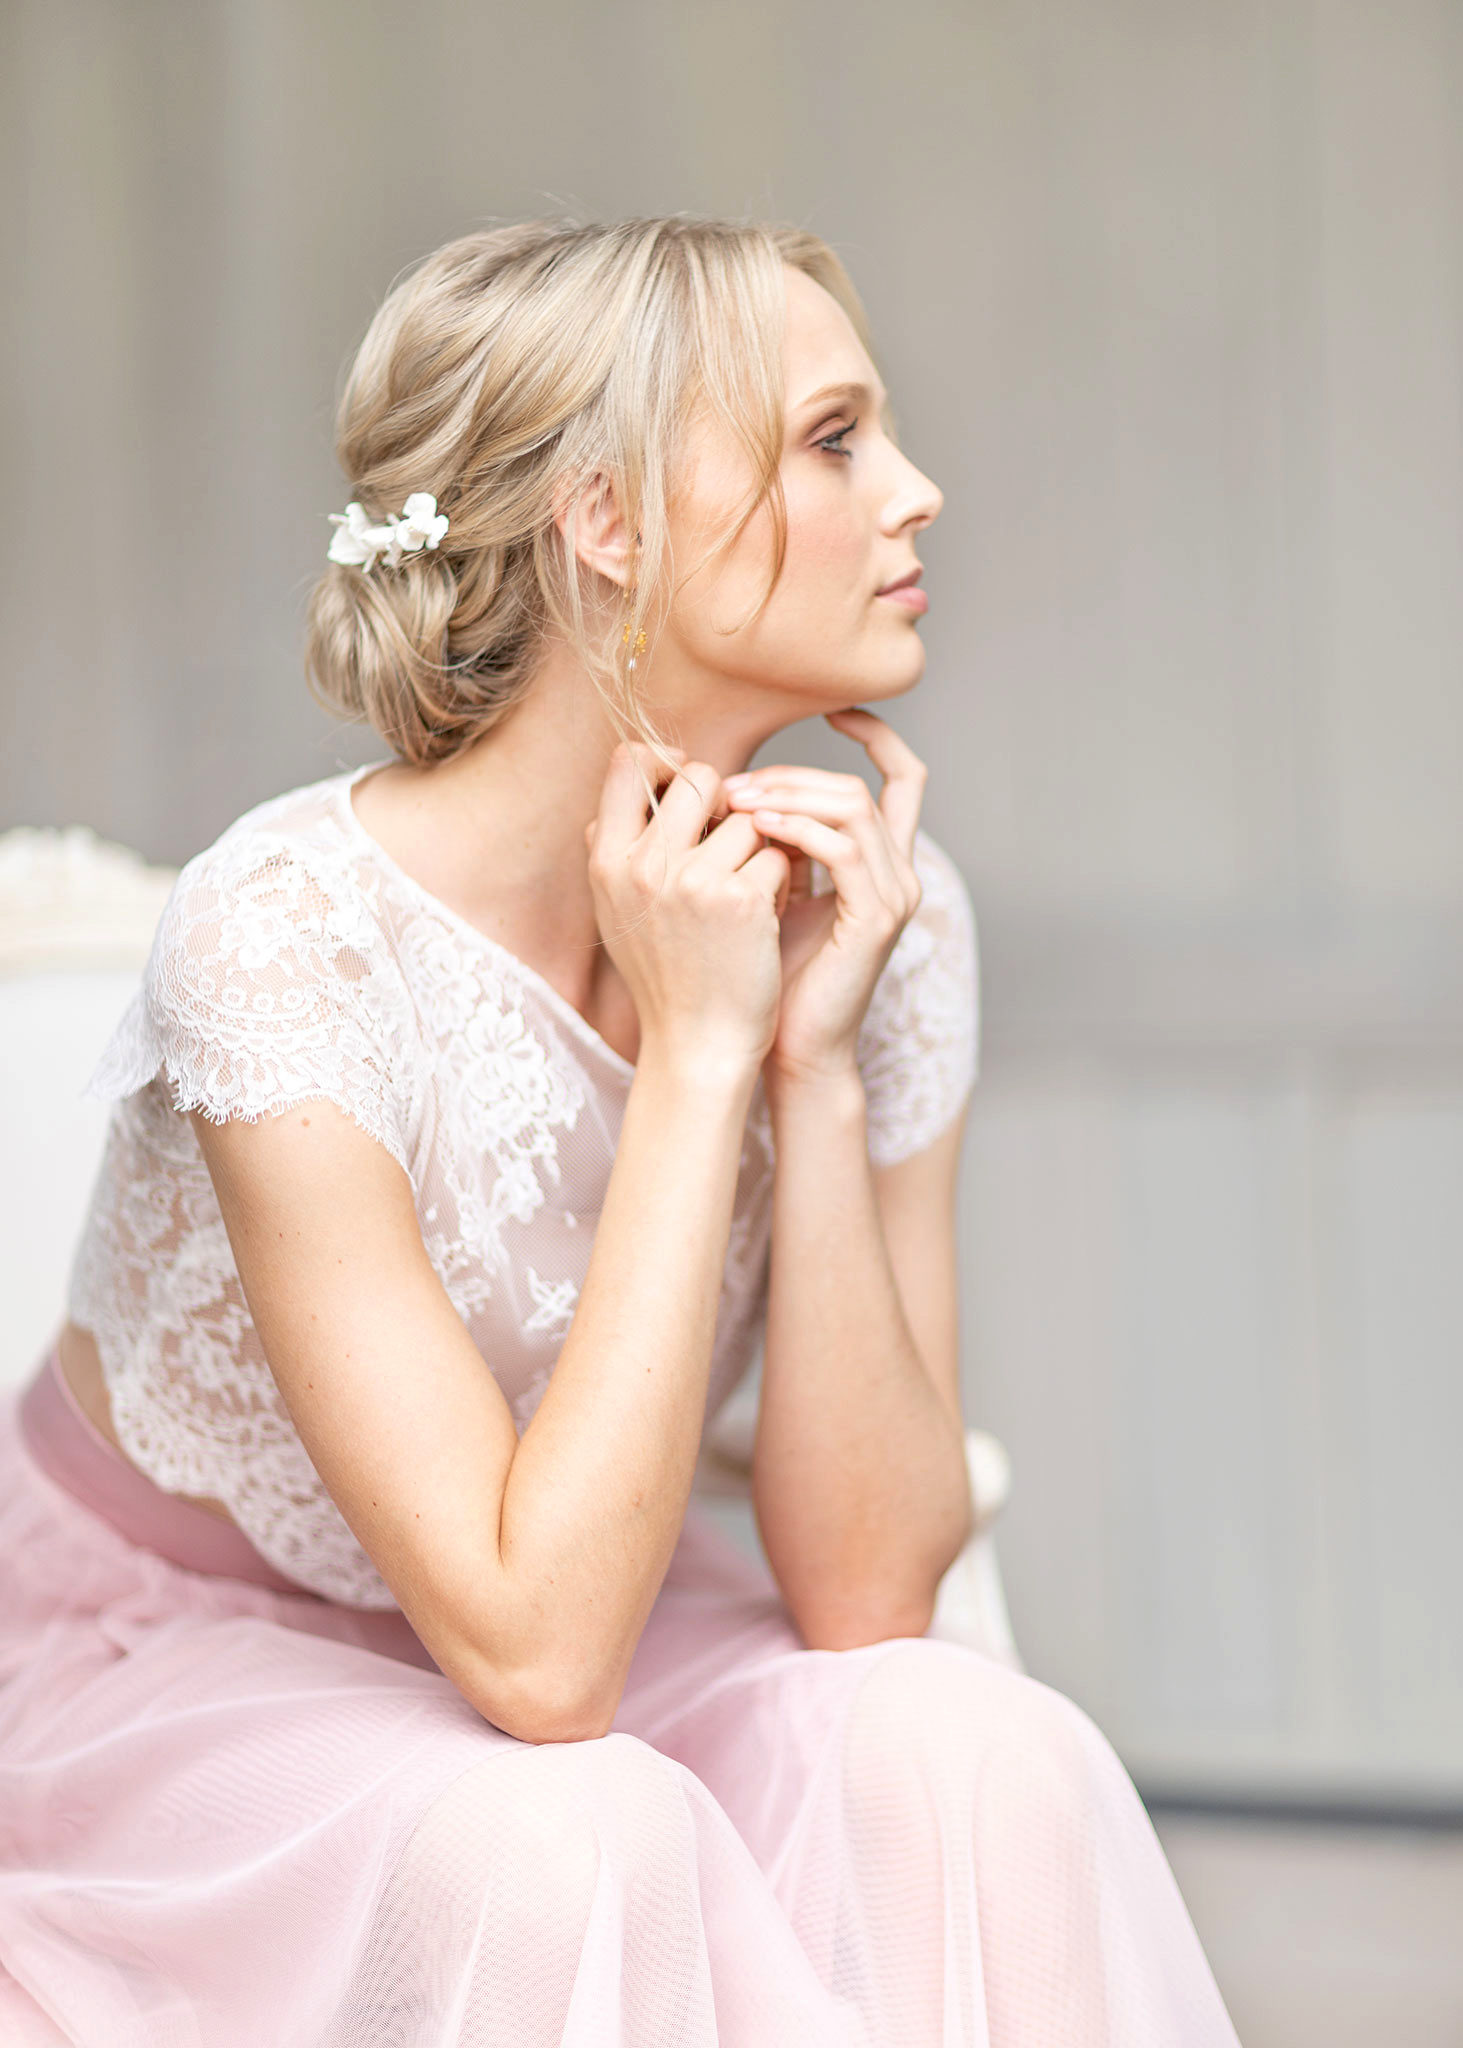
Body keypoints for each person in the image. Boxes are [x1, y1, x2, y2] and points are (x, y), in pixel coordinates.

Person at [0, 215, 1241, 2046]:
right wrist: (694, 1057)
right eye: (833, 438)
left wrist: (805, 1067)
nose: (918, 490)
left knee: (978, 1746)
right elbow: (539, 1656)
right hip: (190, 1676)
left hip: (596, 1615)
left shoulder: (883, 917)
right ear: (606, 523)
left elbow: (872, 1591)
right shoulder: (287, 938)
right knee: (560, 1832)